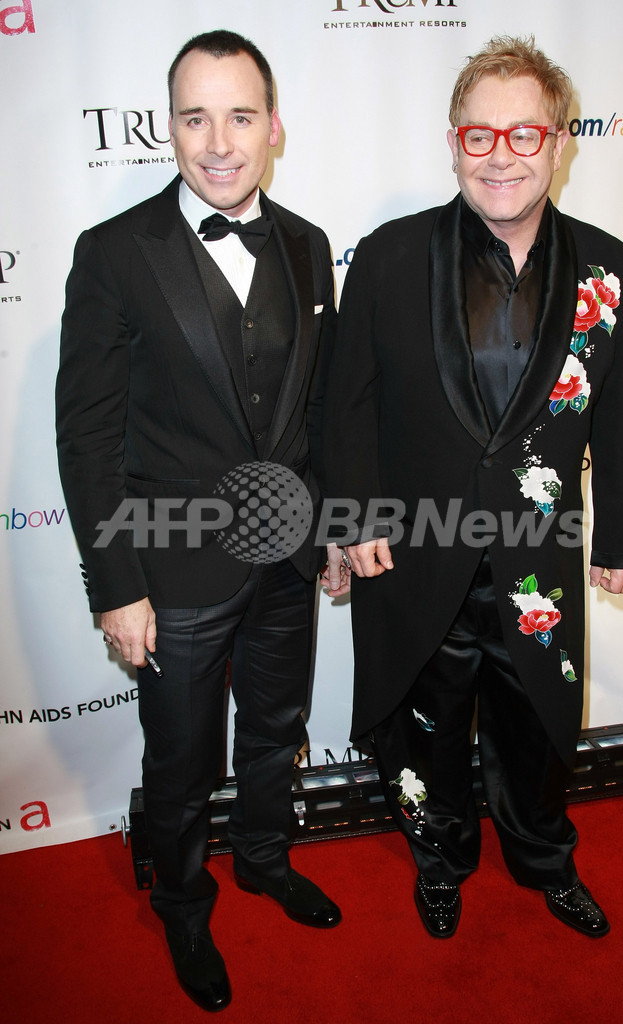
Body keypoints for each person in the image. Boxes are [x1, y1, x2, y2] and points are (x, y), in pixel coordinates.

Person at [323, 36, 623, 940]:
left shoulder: (612, 272)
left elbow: (621, 422)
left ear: (558, 142)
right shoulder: (388, 257)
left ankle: (543, 856)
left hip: (538, 558)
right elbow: (345, 405)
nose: (500, 155)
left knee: (538, 725)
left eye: (523, 133)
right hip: (411, 556)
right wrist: (349, 519)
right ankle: (440, 861)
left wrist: (622, 535)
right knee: (422, 729)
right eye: (479, 134)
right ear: (452, 142)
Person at [56, 29, 348, 1013]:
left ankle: (264, 857)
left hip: (287, 555)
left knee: (274, 728)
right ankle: (183, 902)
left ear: (273, 128)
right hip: (172, 570)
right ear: (169, 127)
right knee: (179, 759)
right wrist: (116, 585)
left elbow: (315, 411)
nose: (218, 143)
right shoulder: (114, 253)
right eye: (195, 118)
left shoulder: (306, 244)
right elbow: (88, 437)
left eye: (239, 116)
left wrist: (329, 528)